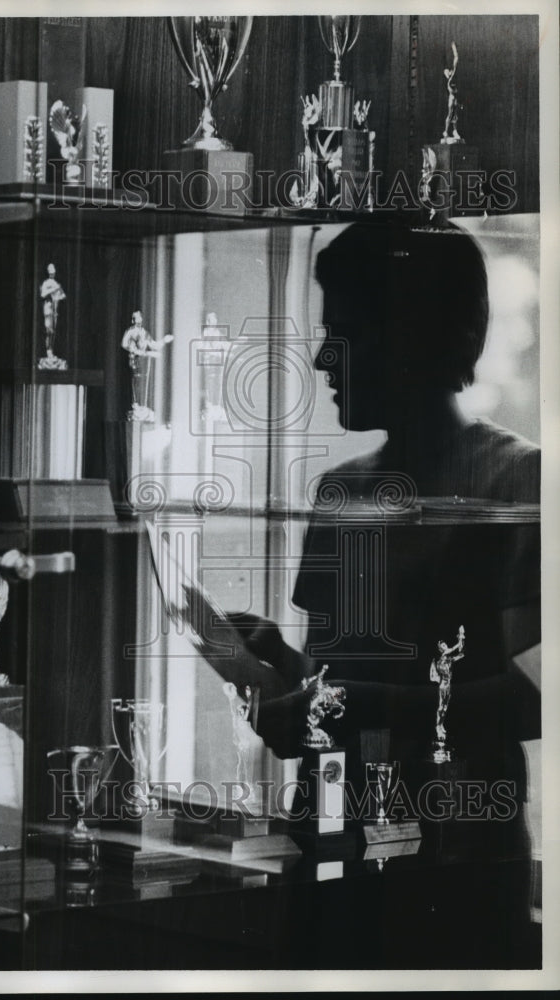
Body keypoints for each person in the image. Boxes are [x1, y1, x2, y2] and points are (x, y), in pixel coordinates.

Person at [187, 214, 540, 777]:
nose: (324, 358)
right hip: (341, 824)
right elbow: (333, 679)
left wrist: (348, 705)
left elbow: (534, 701)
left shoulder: (519, 478)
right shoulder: (340, 491)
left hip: (461, 839)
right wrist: (276, 657)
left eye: (345, 335)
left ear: (413, 336)